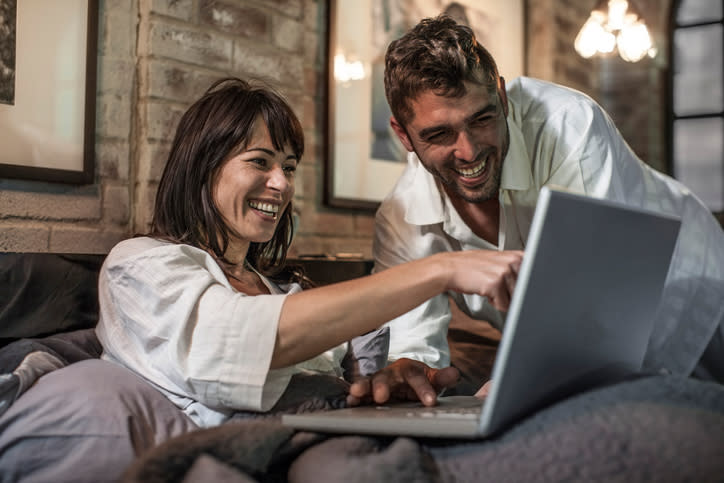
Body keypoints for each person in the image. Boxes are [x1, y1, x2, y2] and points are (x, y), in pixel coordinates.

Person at [94, 77, 523, 428]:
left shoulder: (284, 289)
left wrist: (392, 383)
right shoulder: (138, 264)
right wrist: (440, 269)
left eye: (289, 166)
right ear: (203, 167)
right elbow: (230, 343)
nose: (282, 184)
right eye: (260, 162)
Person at [372, 15, 724, 387]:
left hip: (697, 287)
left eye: (482, 119)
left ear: (502, 98)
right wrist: (408, 370)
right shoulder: (400, 219)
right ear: (403, 134)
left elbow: (592, 295)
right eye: (439, 134)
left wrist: (524, 379)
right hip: (604, 354)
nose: (469, 150)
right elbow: (411, 348)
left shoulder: (570, 125)